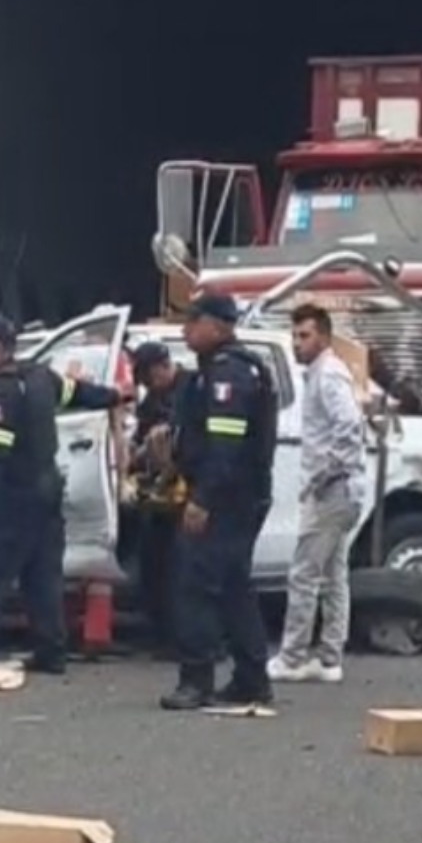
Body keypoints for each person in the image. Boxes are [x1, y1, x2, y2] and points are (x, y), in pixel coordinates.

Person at [0, 313, 122, 674]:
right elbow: (78, 392)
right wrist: (115, 397)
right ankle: (51, 651)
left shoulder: (0, 392)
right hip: (45, 496)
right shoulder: (40, 377)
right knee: (42, 577)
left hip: (8, 498)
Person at [161, 292, 279, 711]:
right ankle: (251, 677)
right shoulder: (219, 370)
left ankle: (196, 679)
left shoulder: (229, 374)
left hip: (225, 501)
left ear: (217, 325)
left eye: (193, 321)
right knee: (233, 589)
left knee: (195, 586)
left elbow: (225, 445)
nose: (184, 329)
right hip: (237, 498)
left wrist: (203, 499)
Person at [268, 305, 367, 684]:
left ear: (323, 337)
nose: (297, 343)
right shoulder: (322, 374)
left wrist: (326, 473)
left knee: (305, 573)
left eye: (304, 336)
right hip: (341, 489)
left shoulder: (327, 375)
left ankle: (292, 657)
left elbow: (349, 426)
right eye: (294, 335)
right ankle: (329, 658)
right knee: (333, 574)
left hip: (332, 491)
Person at [127, 341, 190, 656]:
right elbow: (141, 437)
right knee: (153, 564)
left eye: (150, 377)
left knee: (182, 570)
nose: (149, 385)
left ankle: (184, 639)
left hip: (188, 492)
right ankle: (162, 633)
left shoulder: (190, 388)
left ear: (163, 367)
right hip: (160, 495)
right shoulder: (153, 398)